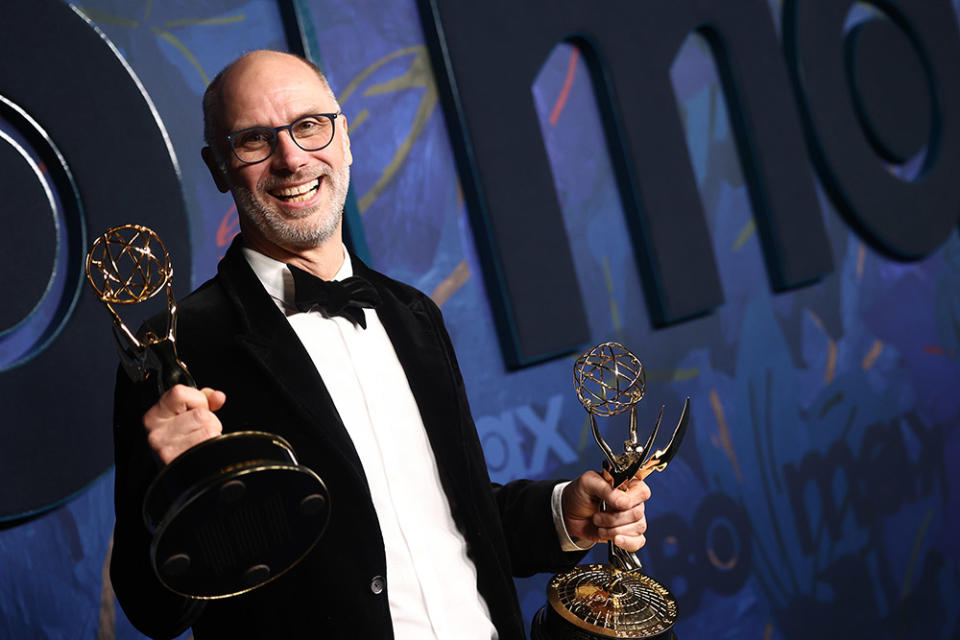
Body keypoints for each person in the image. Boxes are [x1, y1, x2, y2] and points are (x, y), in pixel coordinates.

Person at [110, 49, 651, 639]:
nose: (292, 158)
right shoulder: (180, 349)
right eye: (254, 141)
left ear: (344, 138)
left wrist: (560, 513)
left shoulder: (413, 313)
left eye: (309, 126)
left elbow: (448, 516)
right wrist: (168, 485)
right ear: (219, 167)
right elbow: (154, 609)